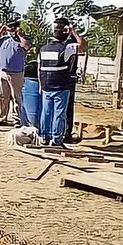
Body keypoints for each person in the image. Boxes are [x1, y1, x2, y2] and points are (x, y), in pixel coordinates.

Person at [37, 18, 87, 148]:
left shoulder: (43, 49)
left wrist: (41, 85)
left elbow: (39, 68)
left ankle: (44, 137)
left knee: (46, 112)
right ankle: (56, 139)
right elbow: (82, 45)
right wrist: (73, 31)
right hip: (61, 86)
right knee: (59, 114)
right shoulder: (67, 48)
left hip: (46, 86)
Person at [0, 19, 32, 126]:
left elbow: (27, 46)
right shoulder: (4, 39)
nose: (9, 30)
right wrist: (1, 30)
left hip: (16, 73)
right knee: (3, 96)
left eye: (11, 27)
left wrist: (19, 34)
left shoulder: (22, 39)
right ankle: (3, 118)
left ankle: (17, 119)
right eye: (8, 27)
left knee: (16, 97)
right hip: (3, 72)